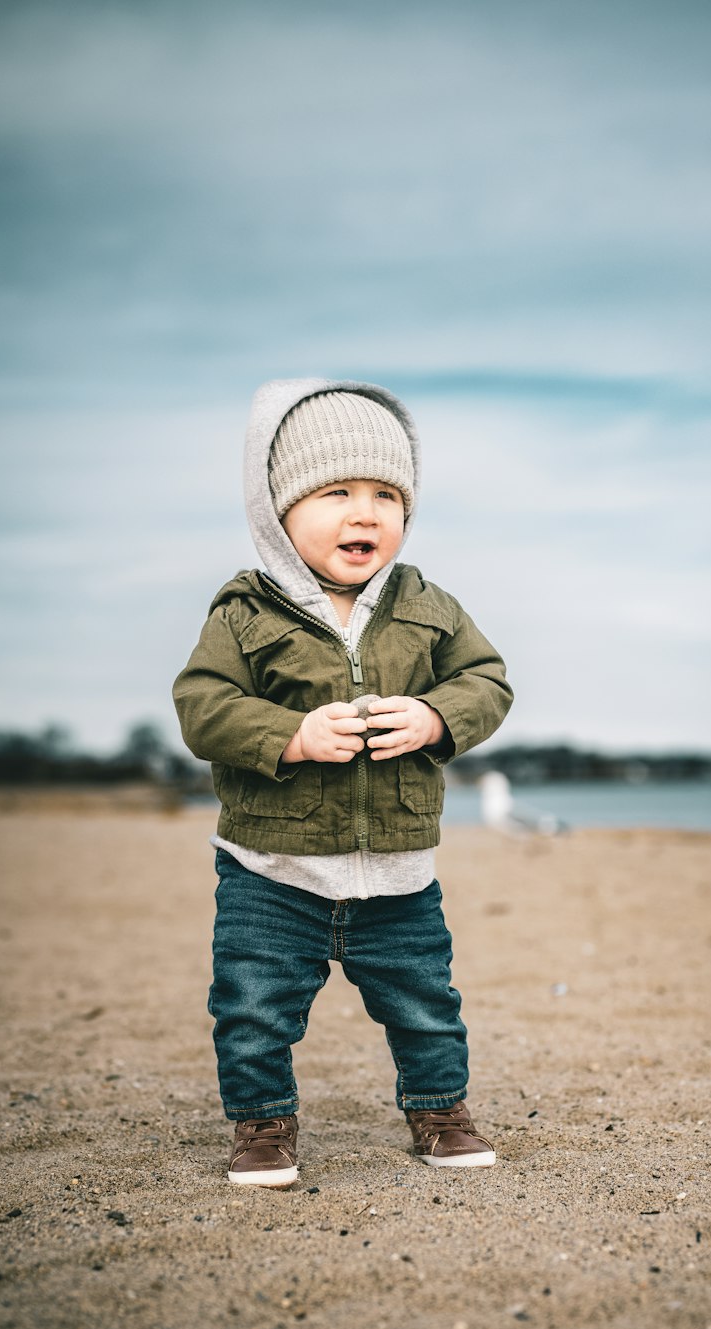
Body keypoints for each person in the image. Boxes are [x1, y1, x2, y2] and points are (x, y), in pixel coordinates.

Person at [173, 379, 513, 1187]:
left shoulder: (426, 606)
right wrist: (288, 734)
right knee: (254, 1008)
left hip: (397, 870)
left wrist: (434, 717)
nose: (366, 513)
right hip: (272, 870)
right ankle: (261, 1127)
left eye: (387, 496)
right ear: (278, 510)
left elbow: (487, 680)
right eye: (338, 493)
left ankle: (440, 1111)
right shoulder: (244, 613)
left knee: (426, 1003)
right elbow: (202, 706)